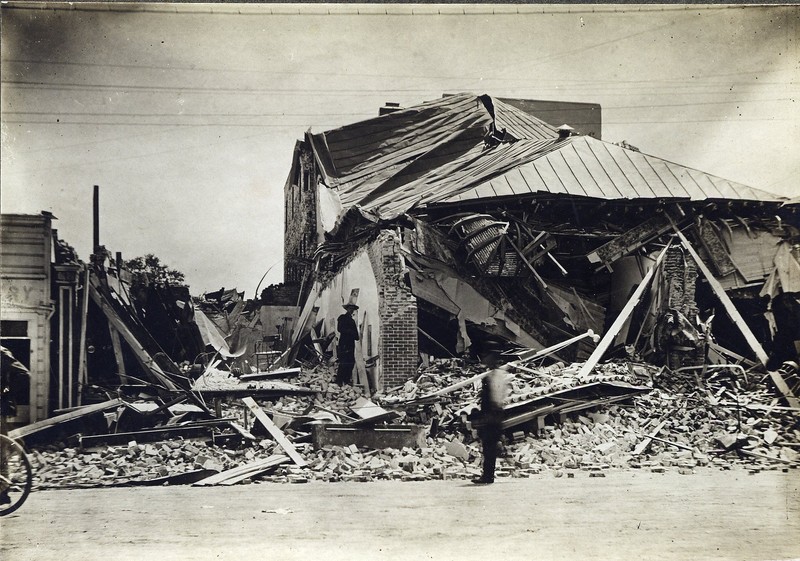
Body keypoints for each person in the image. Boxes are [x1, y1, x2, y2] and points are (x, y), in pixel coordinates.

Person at [473, 351, 509, 485]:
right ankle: (487, 474)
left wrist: (491, 414)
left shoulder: (497, 376)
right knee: (488, 446)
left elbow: (496, 396)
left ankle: (488, 476)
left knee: (489, 447)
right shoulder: (493, 375)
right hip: (493, 414)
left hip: (493, 415)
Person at [335, 303, 359, 385]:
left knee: (351, 362)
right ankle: (339, 381)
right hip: (344, 343)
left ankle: (346, 380)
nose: (351, 310)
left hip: (351, 344)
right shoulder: (342, 318)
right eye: (350, 308)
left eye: (353, 309)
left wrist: (354, 334)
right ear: (347, 309)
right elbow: (339, 329)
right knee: (343, 362)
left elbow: (356, 336)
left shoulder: (352, 321)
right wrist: (350, 332)